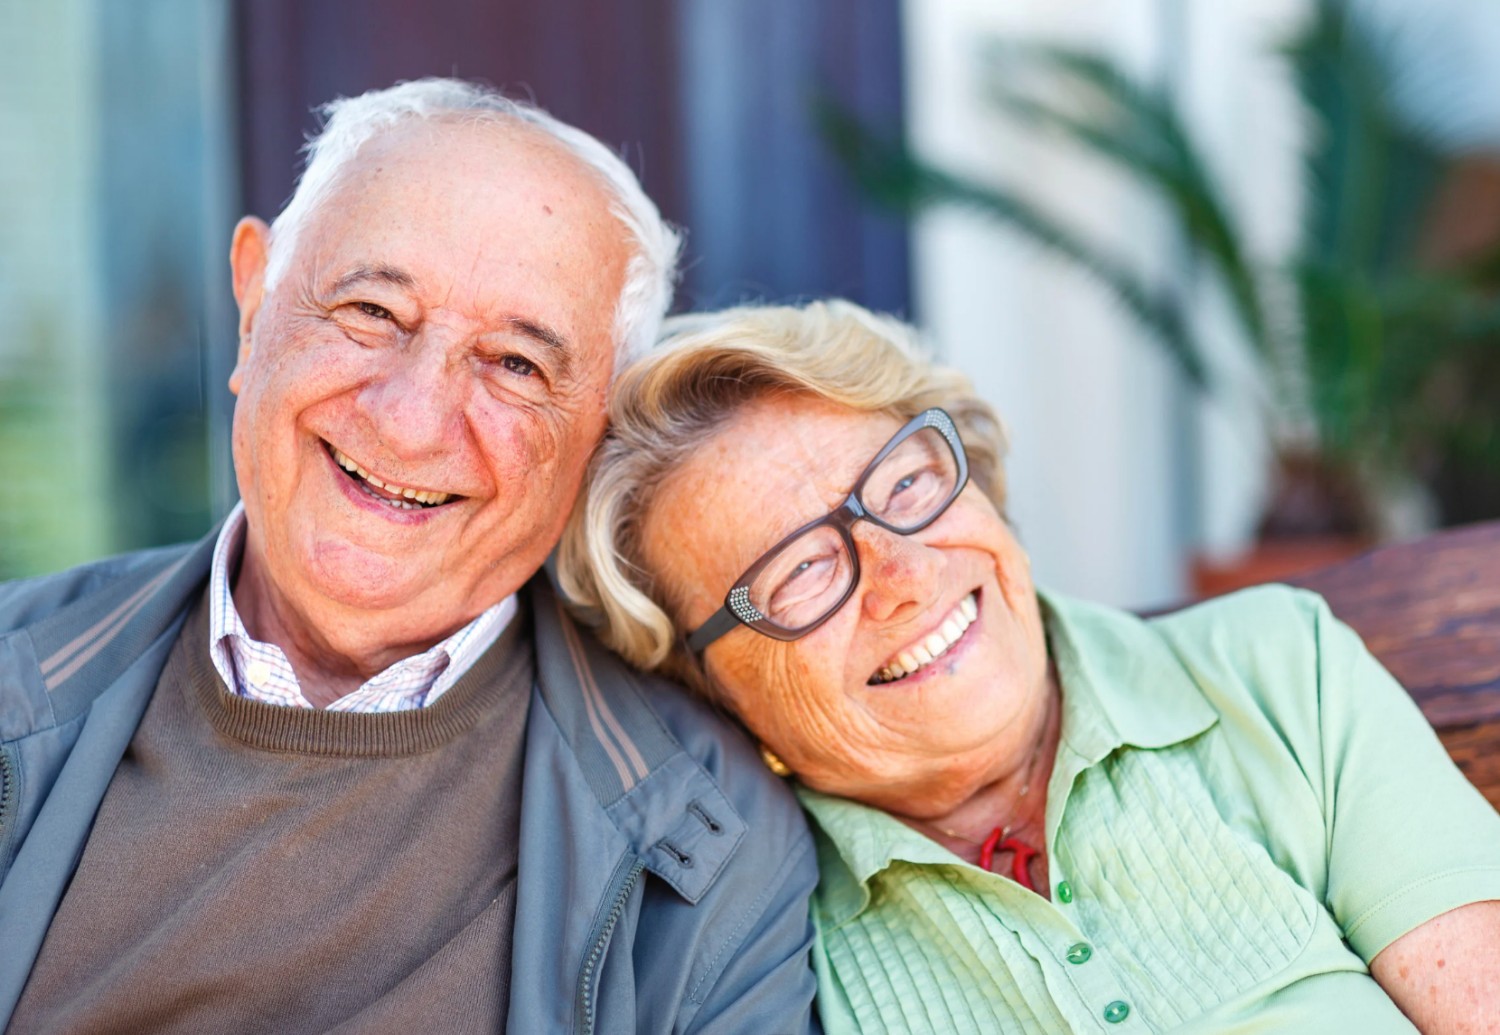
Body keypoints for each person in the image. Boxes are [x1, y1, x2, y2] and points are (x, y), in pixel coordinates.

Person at [0, 80, 819, 1034]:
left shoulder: (712, 847)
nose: (411, 418)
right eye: (372, 311)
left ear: (600, 431)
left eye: (516, 364)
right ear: (255, 302)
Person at [559, 298, 1500, 1034]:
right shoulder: (767, 936)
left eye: (905, 483)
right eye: (801, 568)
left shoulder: (1276, 670)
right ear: (711, 685)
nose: (903, 571)